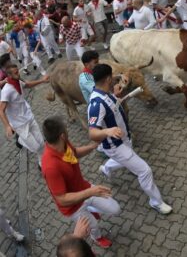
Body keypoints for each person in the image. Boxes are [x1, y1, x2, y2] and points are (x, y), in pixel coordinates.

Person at [88, 64, 173, 215]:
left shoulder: (106, 92)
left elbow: (112, 109)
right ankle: (156, 202)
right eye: (113, 76)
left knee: (126, 159)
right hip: (116, 146)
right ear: (108, 79)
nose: (115, 78)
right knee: (144, 171)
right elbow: (92, 133)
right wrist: (108, 131)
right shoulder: (96, 104)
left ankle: (106, 168)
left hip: (124, 140)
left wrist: (117, 96)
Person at [41, 116, 120, 249]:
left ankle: (90, 209)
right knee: (93, 225)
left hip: (84, 189)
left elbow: (75, 153)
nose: (67, 131)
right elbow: (62, 199)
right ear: (62, 135)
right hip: (73, 207)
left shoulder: (64, 144)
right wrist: (91, 192)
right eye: (66, 129)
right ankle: (97, 238)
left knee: (115, 209)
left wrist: (93, 146)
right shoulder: (50, 166)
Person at [0, 64, 49, 168]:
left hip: (29, 117)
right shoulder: (6, 91)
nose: (19, 74)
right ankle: (20, 140)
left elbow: (28, 85)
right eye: (16, 73)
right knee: (35, 147)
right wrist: (7, 126)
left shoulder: (18, 82)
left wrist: (42, 80)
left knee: (41, 143)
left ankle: (41, 163)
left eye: (18, 71)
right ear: (9, 75)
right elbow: (1, 110)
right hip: (19, 124)